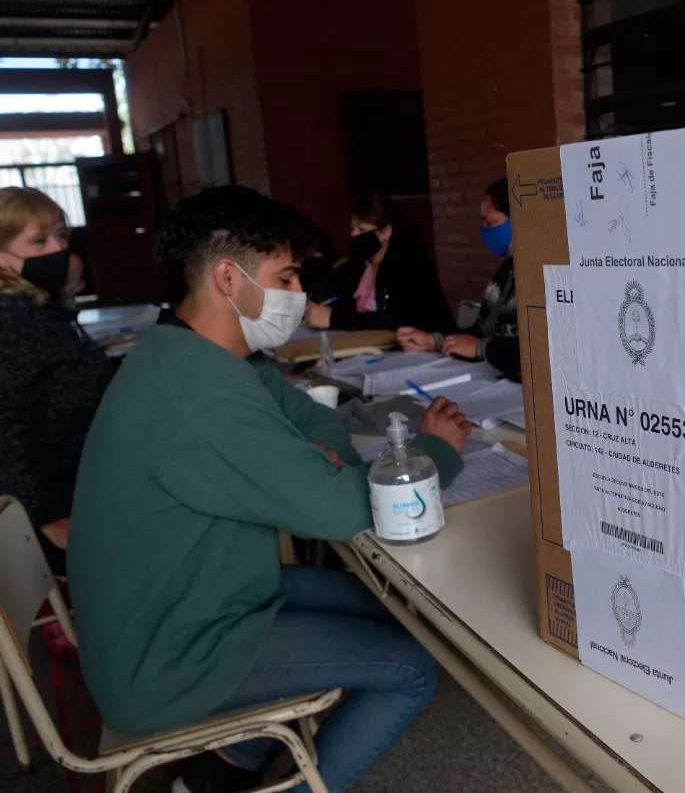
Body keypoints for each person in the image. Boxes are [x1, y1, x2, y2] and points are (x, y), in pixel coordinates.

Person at [68, 186, 473, 793]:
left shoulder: (202, 353)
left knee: (370, 604)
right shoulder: (199, 393)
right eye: (285, 277)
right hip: (167, 656)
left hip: (197, 596)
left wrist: (311, 462)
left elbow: (316, 421)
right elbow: (340, 507)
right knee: (412, 667)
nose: (297, 295)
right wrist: (438, 452)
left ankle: (224, 769)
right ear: (228, 278)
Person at [0, 187, 111, 574]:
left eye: (61, 236)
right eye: (38, 241)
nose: (56, 250)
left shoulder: (38, 308)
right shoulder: (10, 321)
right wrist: (46, 520)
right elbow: (7, 434)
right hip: (55, 515)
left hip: (85, 492)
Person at [397, 178, 519, 379]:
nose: (487, 231)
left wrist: (482, 348)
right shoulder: (506, 272)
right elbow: (482, 331)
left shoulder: (546, 276)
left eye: (492, 223)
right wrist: (434, 341)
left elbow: (537, 353)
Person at [304, 194, 454, 334]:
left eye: (362, 229)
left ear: (386, 232)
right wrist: (323, 311)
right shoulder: (363, 264)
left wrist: (334, 318)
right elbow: (347, 304)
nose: (354, 235)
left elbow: (396, 319)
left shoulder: (410, 264)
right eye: (352, 229)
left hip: (431, 351)